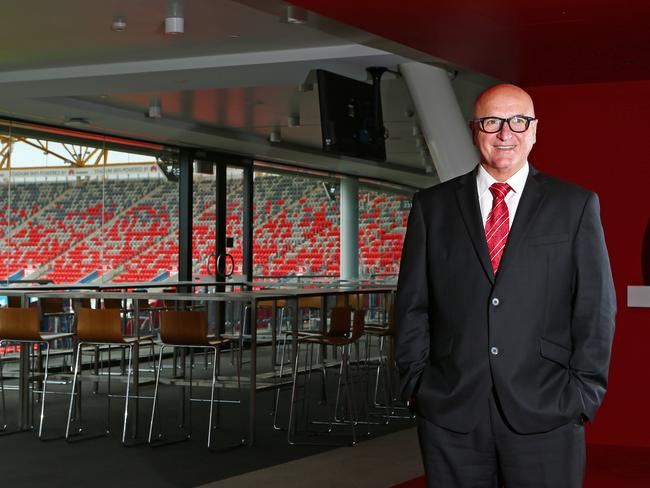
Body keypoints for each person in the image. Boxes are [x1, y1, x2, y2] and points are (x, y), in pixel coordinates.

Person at [395, 84, 616, 487]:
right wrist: (417, 386)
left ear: (534, 130)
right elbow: (412, 304)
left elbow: (595, 308)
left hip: (547, 409)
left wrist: (583, 395)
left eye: (518, 121)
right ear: (474, 128)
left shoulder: (575, 205)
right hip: (451, 412)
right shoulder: (432, 207)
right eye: (492, 121)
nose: (505, 133)